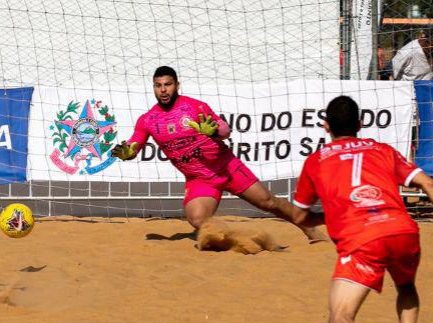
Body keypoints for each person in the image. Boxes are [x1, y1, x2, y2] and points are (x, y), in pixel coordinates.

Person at [288, 96, 433, 323]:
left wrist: (332, 214)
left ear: (325, 126)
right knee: (405, 286)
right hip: (403, 231)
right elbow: (428, 183)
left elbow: (300, 217)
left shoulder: (315, 161)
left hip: (363, 238)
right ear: (361, 124)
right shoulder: (382, 150)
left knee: (339, 316)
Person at [110, 66, 324, 240]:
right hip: (200, 179)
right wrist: (127, 153)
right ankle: (242, 238)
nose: (163, 90)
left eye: (168, 84)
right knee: (196, 218)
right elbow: (134, 146)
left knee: (268, 202)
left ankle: (308, 227)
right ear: (153, 88)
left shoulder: (195, 107)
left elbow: (225, 130)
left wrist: (214, 131)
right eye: (158, 86)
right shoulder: (147, 120)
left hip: (226, 167)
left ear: (177, 85)